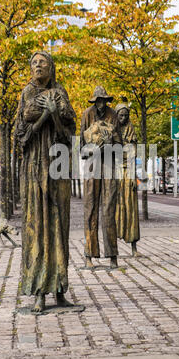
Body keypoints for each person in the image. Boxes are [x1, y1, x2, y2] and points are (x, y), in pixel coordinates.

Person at [15, 51, 76, 312]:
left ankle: (60, 289)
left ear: (52, 67)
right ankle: (39, 290)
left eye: (43, 63)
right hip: (34, 168)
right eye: (34, 63)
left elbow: (68, 132)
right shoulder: (26, 93)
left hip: (57, 165)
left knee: (59, 225)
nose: (38, 66)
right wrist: (45, 115)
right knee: (37, 225)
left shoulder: (60, 91)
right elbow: (22, 135)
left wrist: (55, 116)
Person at [80, 86, 122, 269]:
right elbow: (81, 147)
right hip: (91, 166)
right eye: (98, 100)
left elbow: (120, 144)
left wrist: (110, 147)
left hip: (109, 166)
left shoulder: (113, 115)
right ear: (94, 101)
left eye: (103, 100)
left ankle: (112, 255)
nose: (101, 104)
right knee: (90, 208)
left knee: (109, 210)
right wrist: (93, 149)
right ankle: (89, 254)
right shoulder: (86, 115)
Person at [114, 103, 140, 255]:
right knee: (116, 208)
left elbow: (132, 155)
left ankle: (134, 247)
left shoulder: (131, 131)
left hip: (127, 171)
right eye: (120, 115)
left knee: (131, 207)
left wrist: (132, 176)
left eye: (126, 116)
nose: (123, 118)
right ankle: (113, 246)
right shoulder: (112, 129)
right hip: (114, 171)